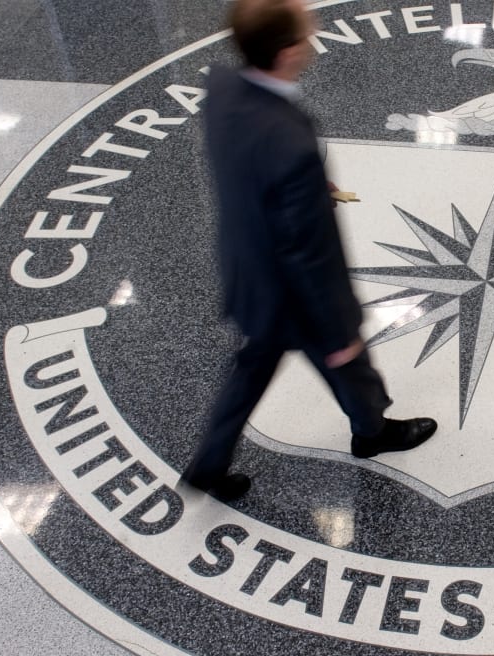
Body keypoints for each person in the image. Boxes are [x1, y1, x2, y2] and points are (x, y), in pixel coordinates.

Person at [181, 0, 437, 502]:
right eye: (306, 31)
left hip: (247, 269)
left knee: (252, 369)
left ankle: (208, 464)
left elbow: (251, 168)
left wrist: (301, 187)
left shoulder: (224, 89)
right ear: (287, 52)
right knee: (348, 360)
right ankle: (372, 433)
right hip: (292, 292)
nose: (314, 35)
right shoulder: (288, 143)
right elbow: (308, 252)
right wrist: (338, 326)